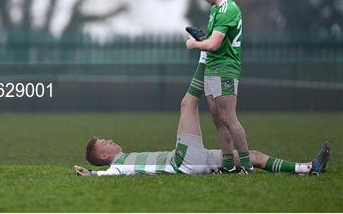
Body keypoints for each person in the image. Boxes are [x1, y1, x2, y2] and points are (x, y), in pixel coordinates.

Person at [74, 97, 330, 176]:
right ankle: (207, 53)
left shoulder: (127, 158)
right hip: (182, 161)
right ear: (104, 155)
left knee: (253, 157)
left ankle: (308, 167)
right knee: (188, 103)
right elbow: (105, 176)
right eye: (105, 143)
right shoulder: (117, 166)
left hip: (191, 160)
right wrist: (90, 175)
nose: (110, 140)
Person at [185, 0, 251, 173]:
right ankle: (229, 165)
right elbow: (212, 39)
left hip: (225, 68)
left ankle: (247, 165)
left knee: (229, 117)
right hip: (212, 68)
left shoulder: (228, 10)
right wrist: (202, 39)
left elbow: (214, 44)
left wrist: (195, 44)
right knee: (217, 118)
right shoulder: (215, 10)